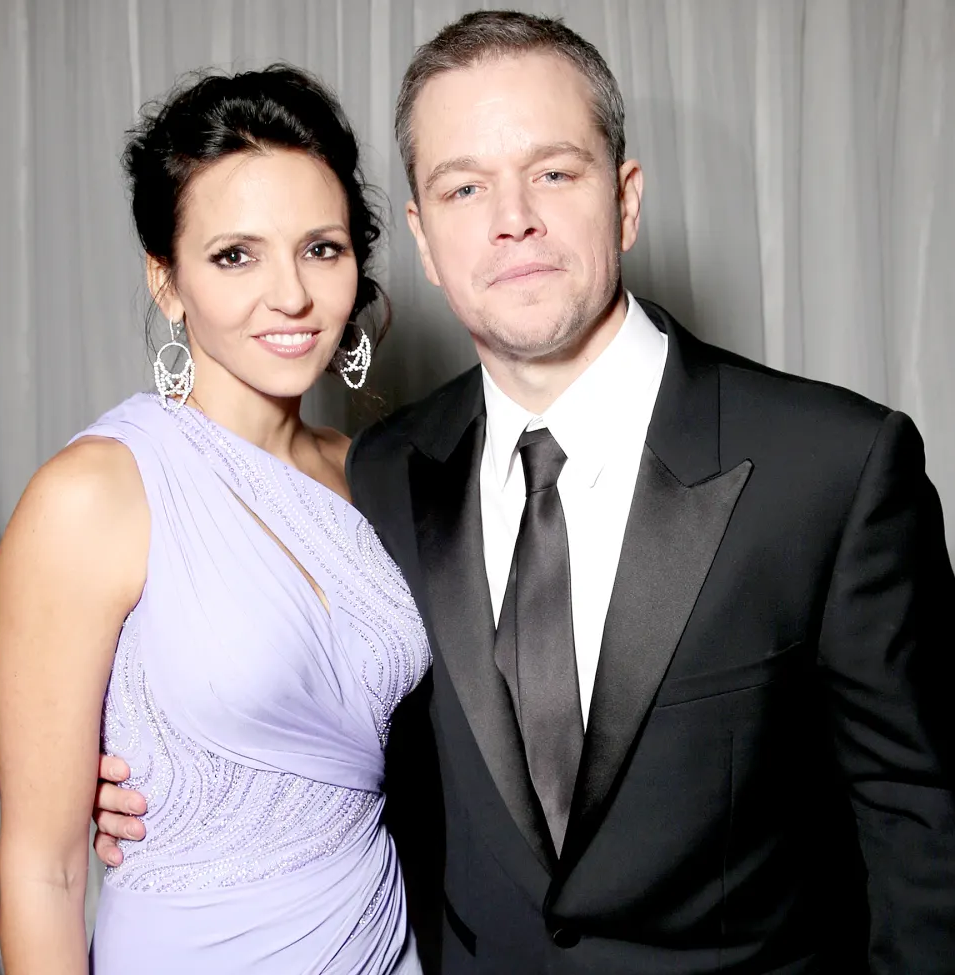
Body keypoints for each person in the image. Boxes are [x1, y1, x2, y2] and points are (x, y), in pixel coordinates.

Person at [92, 10, 955, 975]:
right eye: (465, 186)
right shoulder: (377, 474)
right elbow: (335, 720)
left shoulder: (833, 465)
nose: (513, 218)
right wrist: (158, 776)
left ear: (624, 199)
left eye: (553, 171)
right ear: (421, 235)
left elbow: (921, 821)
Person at [0, 64, 430, 975]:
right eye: (236, 255)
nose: (292, 295)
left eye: (322, 248)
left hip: (384, 938)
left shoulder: (377, 475)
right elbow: (44, 869)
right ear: (167, 281)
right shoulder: (94, 495)